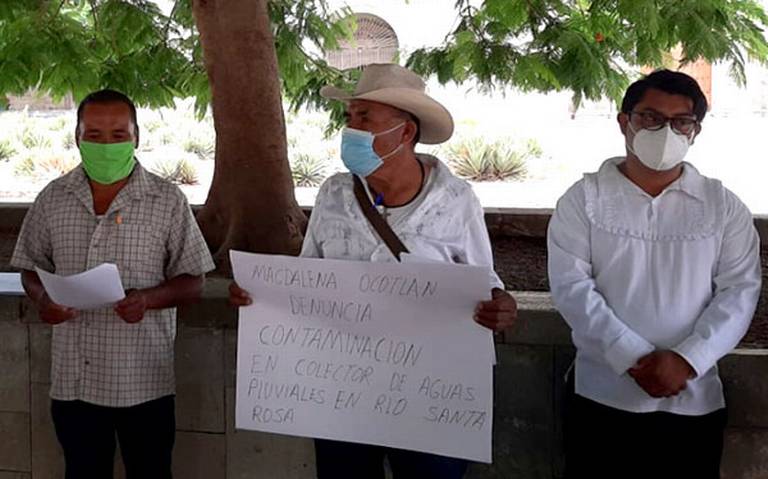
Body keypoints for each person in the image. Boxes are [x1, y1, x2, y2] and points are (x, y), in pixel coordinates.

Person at [230, 63, 517, 478]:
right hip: (343, 395)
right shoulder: (333, 194)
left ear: (405, 132)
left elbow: (484, 282)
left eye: (364, 118)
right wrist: (261, 297)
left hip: (428, 399)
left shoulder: (456, 200)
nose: (351, 129)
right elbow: (307, 279)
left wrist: (500, 305)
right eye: (349, 117)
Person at [547, 70, 761, 478]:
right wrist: (631, 356)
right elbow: (571, 287)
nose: (666, 132)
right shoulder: (583, 199)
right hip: (601, 396)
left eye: (681, 122)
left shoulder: (722, 205)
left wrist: (688, 359)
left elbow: (739, 291)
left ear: (695, 131)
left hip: (694, 399)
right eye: (651, 118)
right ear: (624, 122)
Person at [12, 89, 215, 479]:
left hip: (144, 381)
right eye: (94, 135)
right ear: (77, 138)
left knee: (151, 471)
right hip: (75, 381)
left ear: (136, 137)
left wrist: (149, 299)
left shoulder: (167, 200)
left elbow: (195, 281)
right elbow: (29, 268)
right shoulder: (53, 198)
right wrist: (43, 299)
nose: (106, 144)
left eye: (118, 134)